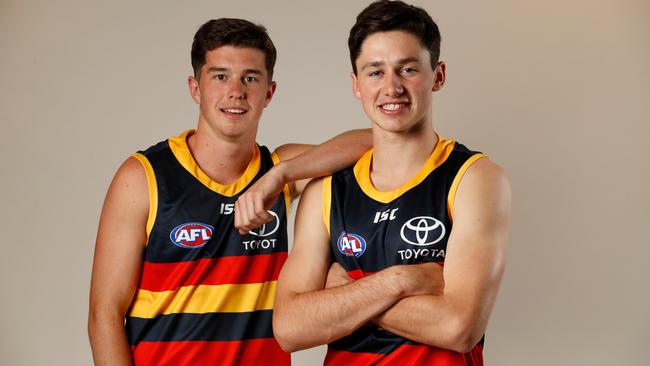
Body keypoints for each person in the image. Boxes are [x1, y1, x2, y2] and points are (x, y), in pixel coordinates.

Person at [87, 18, 371, 365]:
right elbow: (105, 315)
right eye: (220, 76)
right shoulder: (143, 177)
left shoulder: (279, 170)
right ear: (195, 88)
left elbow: (378, 144)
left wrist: (279, 175)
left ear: (269, 92)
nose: (236, 90)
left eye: (250, 78)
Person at [273, 1, 512, 364]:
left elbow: (459, 328)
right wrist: (400, 281)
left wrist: (347, 293)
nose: (392, 87)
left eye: (408, 69)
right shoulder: (325, 191)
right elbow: (291, 328)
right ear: (356, 85)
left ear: (439, 75)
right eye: (375, 72)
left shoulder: (474, 179)